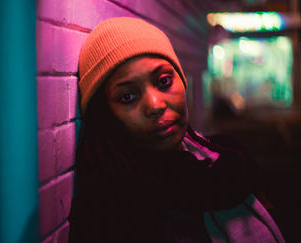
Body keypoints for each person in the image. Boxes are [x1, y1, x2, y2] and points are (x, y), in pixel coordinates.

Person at [68, 17, 284, 243]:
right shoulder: (106, 213)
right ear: (105, 116)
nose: (155, 105)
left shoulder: (228, 163)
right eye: (127, 96)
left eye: (164, 81)